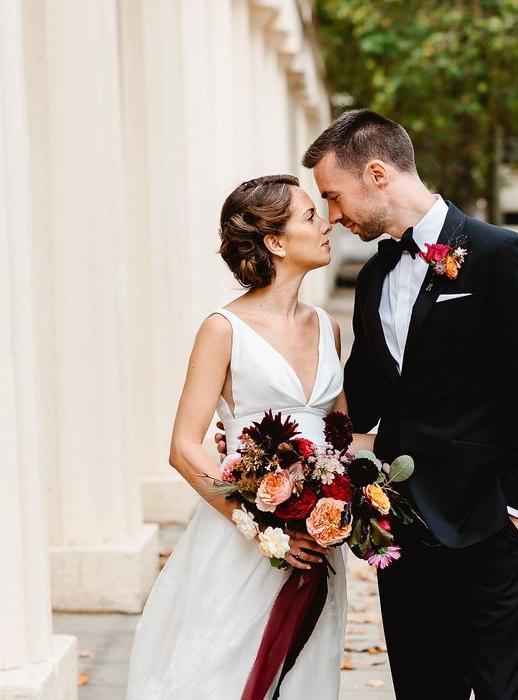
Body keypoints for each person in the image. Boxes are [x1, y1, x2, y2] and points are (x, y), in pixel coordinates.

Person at [302, 110, 518, 698]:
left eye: (334, 197)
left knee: (502, 691)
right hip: (401, 531)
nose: (334, 217)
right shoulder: (372, 278)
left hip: (485, 521)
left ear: (376, 173)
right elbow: (365, 402)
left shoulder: (501, 255)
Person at [126, 175, 372, 699]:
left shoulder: (328, 327)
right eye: (310, 216)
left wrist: (367, 490)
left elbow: (341, 438)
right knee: (223, 672)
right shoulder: (223, 329)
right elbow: (185, 446)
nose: (326, 223)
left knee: (306, 674)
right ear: (275, 242)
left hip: (317, 543)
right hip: (242, 540)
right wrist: (262, 527)